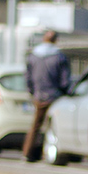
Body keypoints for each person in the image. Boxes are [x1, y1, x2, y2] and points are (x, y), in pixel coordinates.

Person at [22, 29, 71, 162]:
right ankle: (54, 154)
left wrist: (32, 92)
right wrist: (64, 92)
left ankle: (28, 152)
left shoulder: (33, 55)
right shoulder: (59, 56)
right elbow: (65, 80)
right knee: (54, 126)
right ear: (55, 40)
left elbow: (28, 77)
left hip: (38, 95)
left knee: (36, 125)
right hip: (54, 97)